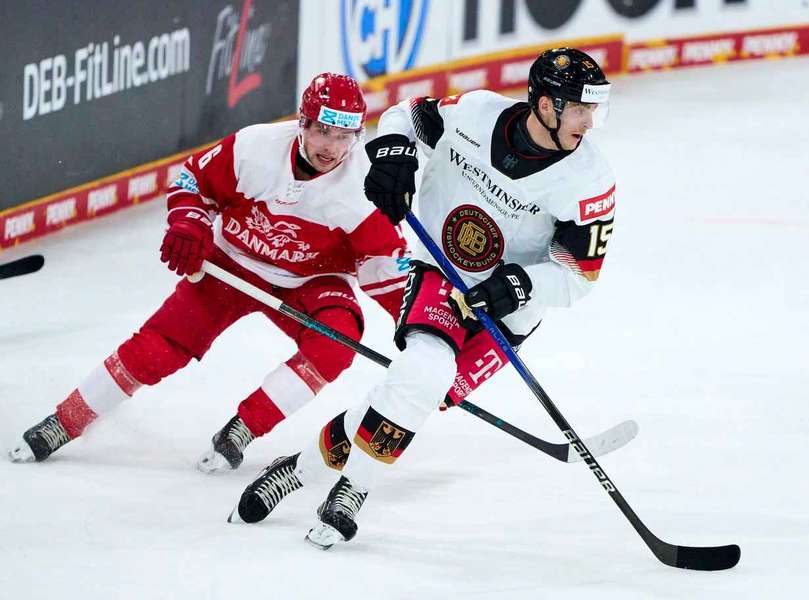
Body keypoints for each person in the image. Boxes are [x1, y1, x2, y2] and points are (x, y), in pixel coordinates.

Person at [229, 47, 618, 550]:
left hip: (512, 310)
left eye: (595, 109)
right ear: (547, 105)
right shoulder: (477, 114)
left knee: (412, 393)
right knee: (425, 371)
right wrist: (392, 153)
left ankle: (298, 470)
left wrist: (521, 284)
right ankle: (353, 490)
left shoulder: (590, 179)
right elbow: (403, 118)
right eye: (581, 109)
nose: (589, 123)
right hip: (442, 269)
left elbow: (579, 275)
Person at [8, 73, 410, 470]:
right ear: (302, 123)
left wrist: (422, 337)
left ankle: (244, 429)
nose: (333, 147)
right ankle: (65, 420)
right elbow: (193, 181)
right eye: (324, 131)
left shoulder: (365, 185)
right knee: (158, 347)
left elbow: (385, 267)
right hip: (231, 265)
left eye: (345, 136)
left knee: (336, 342)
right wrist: (189, 223)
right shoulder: (255, 147)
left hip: (309, 281)